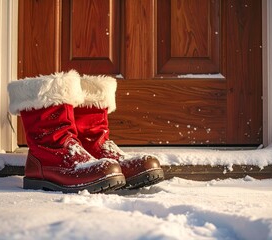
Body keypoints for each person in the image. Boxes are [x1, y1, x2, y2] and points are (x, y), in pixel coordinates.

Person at [8, 70, 164, 193]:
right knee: (60, 131)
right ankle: (45, 163)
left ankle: (94, 148)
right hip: (48, 159)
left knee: (96, 141)